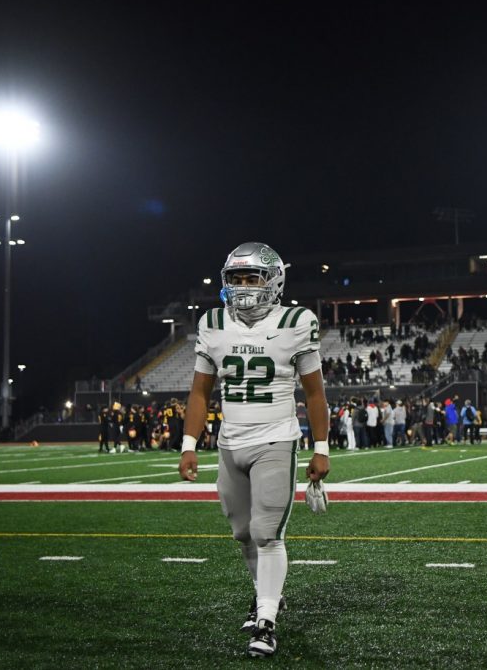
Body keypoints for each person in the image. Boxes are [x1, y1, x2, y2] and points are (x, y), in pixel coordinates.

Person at [178, 242, 329, 659]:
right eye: (237, 279)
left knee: (267, 532)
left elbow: (315, 393)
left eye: (253, 278)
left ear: (274, 281)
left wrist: (322, 448)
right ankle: (270, 596)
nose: (244, 287)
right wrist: (190, 444)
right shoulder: (213, 322)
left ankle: (266, 622)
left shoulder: (297, 321)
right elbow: (200, 390)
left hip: (276, 438)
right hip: (230, 443)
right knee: (242, 533)